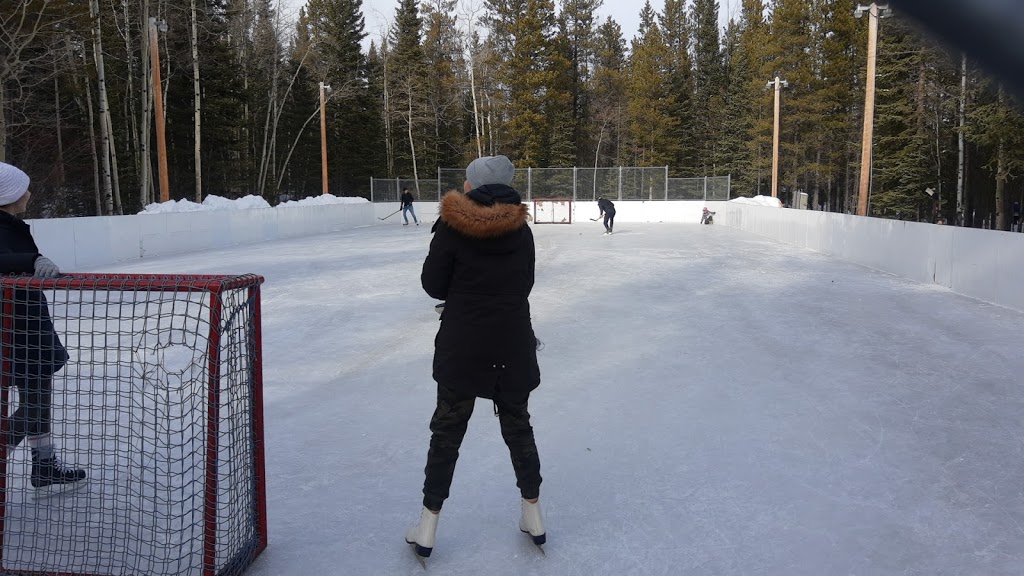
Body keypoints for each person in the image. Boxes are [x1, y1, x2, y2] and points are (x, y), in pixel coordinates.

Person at [406, 155, 545, 560]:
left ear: (473, 186)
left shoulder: (452, 228)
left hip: (462, 344)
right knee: (518, 427)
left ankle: (428, 528)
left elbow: (433, 284)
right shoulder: (522, 231)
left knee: (446, 435)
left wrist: (463, 297)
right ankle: (534, 515)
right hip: (512, 342)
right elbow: (525, 284)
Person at [0, 162, 86, 491]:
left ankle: (45, 465)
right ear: (8, 196)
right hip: (16, 331)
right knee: (34, 403)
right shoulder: (3, 228)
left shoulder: (12, 224)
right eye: (23, 189)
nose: (29, 194)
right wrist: (31, 260)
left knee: (38, 398)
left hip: (27, 328)